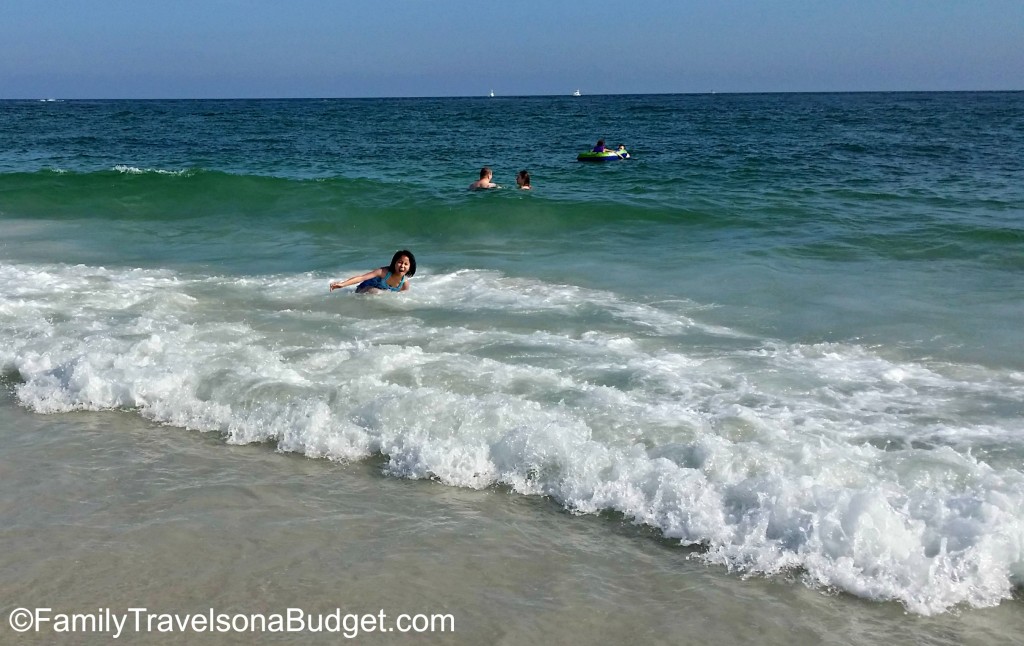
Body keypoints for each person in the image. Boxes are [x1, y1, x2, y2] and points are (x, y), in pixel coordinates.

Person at [329, 250, 416, 294]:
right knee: (376, 292)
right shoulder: (384, 272)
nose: (402, 266)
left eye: (406, 264)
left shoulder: (404, 284)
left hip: (377, 297)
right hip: (362, 291)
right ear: (394, 263)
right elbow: (362, 278)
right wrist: (342, 284)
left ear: (410, 267)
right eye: (400, 262)